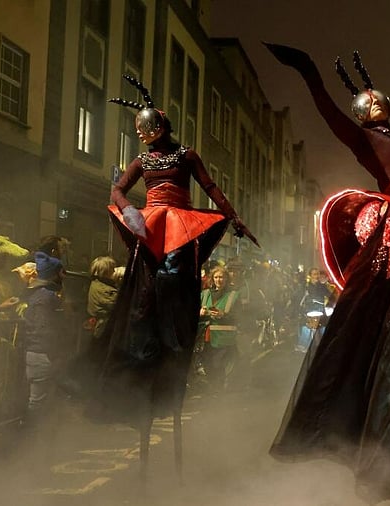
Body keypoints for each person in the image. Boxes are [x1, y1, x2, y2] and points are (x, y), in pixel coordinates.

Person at [264, 43, 390, 505]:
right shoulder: (363, 140)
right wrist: (309, 72)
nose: (374, 102)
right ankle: (378, 455)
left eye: (378, 98)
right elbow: (326, 112)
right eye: (366, 102)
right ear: (360, 113)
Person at [62, 74, 257, 428]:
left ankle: (172, 336)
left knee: (174, 279)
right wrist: (130, 210)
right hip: (152, 225)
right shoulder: (141, 160)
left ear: (160, 127)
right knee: (146, 287)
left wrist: (235, 218)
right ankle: (146, 343)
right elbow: (117, 191)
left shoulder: (187, 156)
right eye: (139, 130)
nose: (140, 134)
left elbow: (210, 187)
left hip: (179, 224)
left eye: (146, 128)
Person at [20, 251, 65, 429]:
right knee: (38, 401)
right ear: (54, 274)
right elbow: (43, 328)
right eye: (61, 271)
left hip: (41, 353)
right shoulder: (45, 297)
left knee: (42, 400)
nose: (64, 275)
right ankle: (29, 441)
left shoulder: (41, 294)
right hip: (42, 354)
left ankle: (39, 440)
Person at [195, 265, 240, 392]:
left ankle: (218, 392)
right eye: (216, 277)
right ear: (212, 278)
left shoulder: (233, 295)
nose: (218, 280)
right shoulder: (205, 294)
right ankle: (212, 389)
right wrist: (200, 312)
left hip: (223, 338)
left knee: (218, 365)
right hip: (205, 337)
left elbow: (238, 317)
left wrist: (223, 315)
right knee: (207, 364)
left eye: (221, 277)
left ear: (226, 279)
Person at [86, 255, 118, 339]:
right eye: (112, 269)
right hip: (104, 327)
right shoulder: (106, 290)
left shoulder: (95, 282)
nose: (114, 271)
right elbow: (119, 305)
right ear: (105, 272)